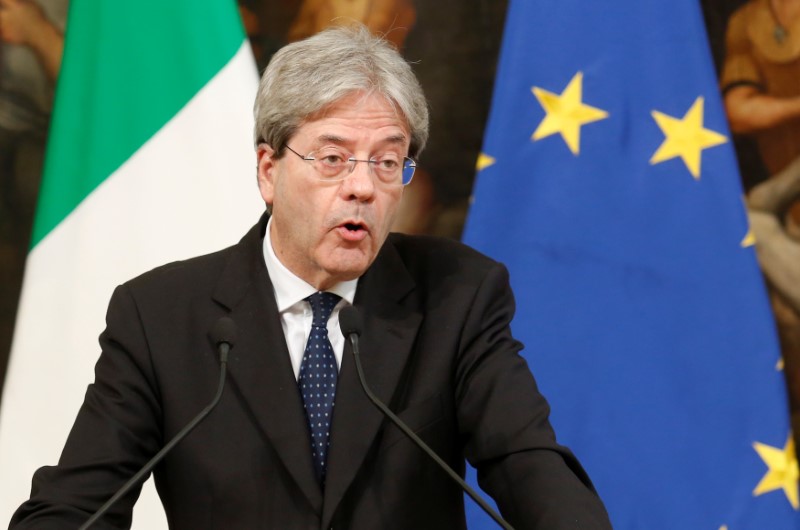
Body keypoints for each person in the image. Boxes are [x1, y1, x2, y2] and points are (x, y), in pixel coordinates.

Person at [10, 25, 611, 529]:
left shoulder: (457, 295)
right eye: (332, 158)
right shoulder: (161, 316)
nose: (362, 185)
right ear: (269, 170)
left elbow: (527, 464)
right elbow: (76, 506)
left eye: (387, 160)